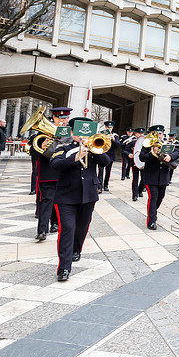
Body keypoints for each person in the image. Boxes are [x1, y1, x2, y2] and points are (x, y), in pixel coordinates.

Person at [49, 116, 111, 281]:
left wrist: (92, 148)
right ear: (71, 132)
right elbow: (55, 165)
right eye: (78, 132)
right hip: (66, 196)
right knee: (67, 229)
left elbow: (105, 162)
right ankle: (64, 268)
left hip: (88, 195)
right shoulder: (63, 147)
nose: (81, 135)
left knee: (82, 228)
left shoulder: (94, 147)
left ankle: (77, 249)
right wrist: (76, 157)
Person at [34, 107, 71, 241]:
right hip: (48, 172)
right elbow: (32, 149)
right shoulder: (42, 131)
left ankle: (55, 223)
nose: (63, 121)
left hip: (63, 172)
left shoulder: (71, 133)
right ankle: (42, 230)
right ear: (54, 118)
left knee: (59, 200)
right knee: (47, 200)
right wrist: (41, 145)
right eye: (60, 118)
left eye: (66, 118)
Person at [139, 125, 179, 230]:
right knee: (153, 197)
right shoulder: (147, 145)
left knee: (160, 197)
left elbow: (178, 152)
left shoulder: (167, 144)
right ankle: (151, 221)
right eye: (157, 134)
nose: (160, 136)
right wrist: (153, 153)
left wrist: (170, 156)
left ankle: (153, 211)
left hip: (163, 176)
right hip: (151, 176)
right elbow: (142, 158)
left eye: (161, 133)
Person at [97, 120, 120, 193]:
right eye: (108, 127)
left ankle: (106, 185)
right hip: (102, 154)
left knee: (108, 171)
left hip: (111, 155)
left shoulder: (115, 135)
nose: (109, 128)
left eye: (111, 127)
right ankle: (99, 186)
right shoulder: (101, 134)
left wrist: (113, 139)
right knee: (100, 171)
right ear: (105, 127)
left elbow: (118, 145)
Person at [127, 127, 146, 201]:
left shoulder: (146, 142)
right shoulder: (132, 141)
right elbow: (125, 150)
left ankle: (140, 190)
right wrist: (129, 154)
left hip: (143, 162)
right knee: (135, 178)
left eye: (142, 133)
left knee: (144, 179)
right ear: (136, 134)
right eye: (139, 133)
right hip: (134, 162)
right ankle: (134, 195)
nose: (141, 135)